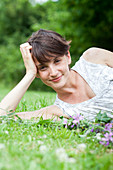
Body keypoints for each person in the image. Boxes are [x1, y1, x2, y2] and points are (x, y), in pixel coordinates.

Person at [0, 29, 113, 121]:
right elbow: (2, 115)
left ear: (68, 56)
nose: (53, 73)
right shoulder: (56, 112)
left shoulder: (94, 58)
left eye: (57, 61)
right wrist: (30, 74)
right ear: (37, 72)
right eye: (43, 67)